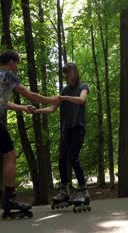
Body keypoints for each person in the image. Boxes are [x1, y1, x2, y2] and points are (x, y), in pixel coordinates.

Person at [0, 50, 60, 219]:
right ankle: (9, 199)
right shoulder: (8, 75)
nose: (17, 67)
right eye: (17, 63)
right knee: (10, 155)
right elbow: (29, 94)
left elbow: (2, 103)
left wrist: (23, 108)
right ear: (10, 62)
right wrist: (52, 100)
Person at [34, 62, 90, 209]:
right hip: (66, 129)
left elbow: (81, 100)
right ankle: (64, 191)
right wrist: (37, 111)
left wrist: (64, 98)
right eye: (64, 73)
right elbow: (52, 108)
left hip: (78, 127)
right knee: (61, 159)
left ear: (75, 72)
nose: (66, 75)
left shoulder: (83, 87)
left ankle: (83, 191)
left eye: (68, 72)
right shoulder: (64, 90)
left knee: (74, 158)